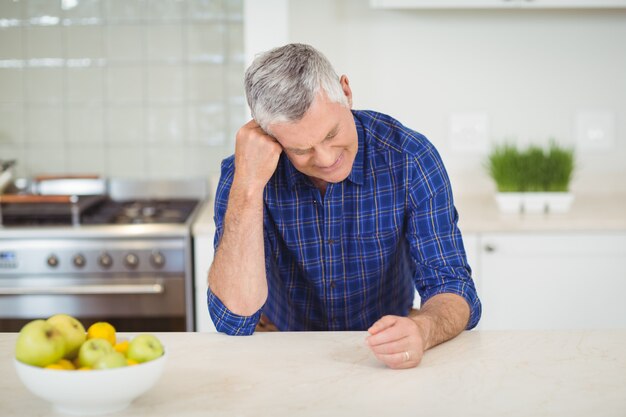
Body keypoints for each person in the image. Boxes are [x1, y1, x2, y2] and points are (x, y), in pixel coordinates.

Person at [207, 43, 481, 369]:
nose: (325, 159)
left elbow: (453, 285)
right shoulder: (244, 174)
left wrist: (422, 329)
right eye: (301, 149)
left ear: (346, 92)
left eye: (331, 133)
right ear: (268, 136)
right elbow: (232, 320)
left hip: (382, 353)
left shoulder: (410, 157)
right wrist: (249, 188)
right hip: (282, 351)